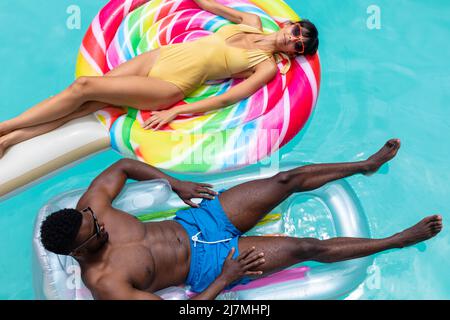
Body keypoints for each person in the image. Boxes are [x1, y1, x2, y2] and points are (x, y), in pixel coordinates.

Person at [40, 139, 443, 300]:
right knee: (305, 248)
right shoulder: (107, 285)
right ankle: (397, 240)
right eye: (95, 233)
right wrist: (226, 278)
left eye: (95, 219)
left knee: (286, 179)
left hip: (198, 222)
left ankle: (365, 165)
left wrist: (173, 181)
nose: (101, 225)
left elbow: (123, 165)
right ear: (78, 250)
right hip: (209, 265)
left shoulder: (92, 207)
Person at [0, 0, 319, 158]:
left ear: (296, 52)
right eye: (295, 32)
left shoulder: (264, 67)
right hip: (160, 56)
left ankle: (6, 126)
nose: (293, 41)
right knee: (85, 104)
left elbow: (227, 98)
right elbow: (207, 4)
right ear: (287, 24)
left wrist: (176, 111)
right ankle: (12, 140)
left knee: (84, 88)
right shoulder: (250, 20)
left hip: (170, 86)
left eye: (299, 45)